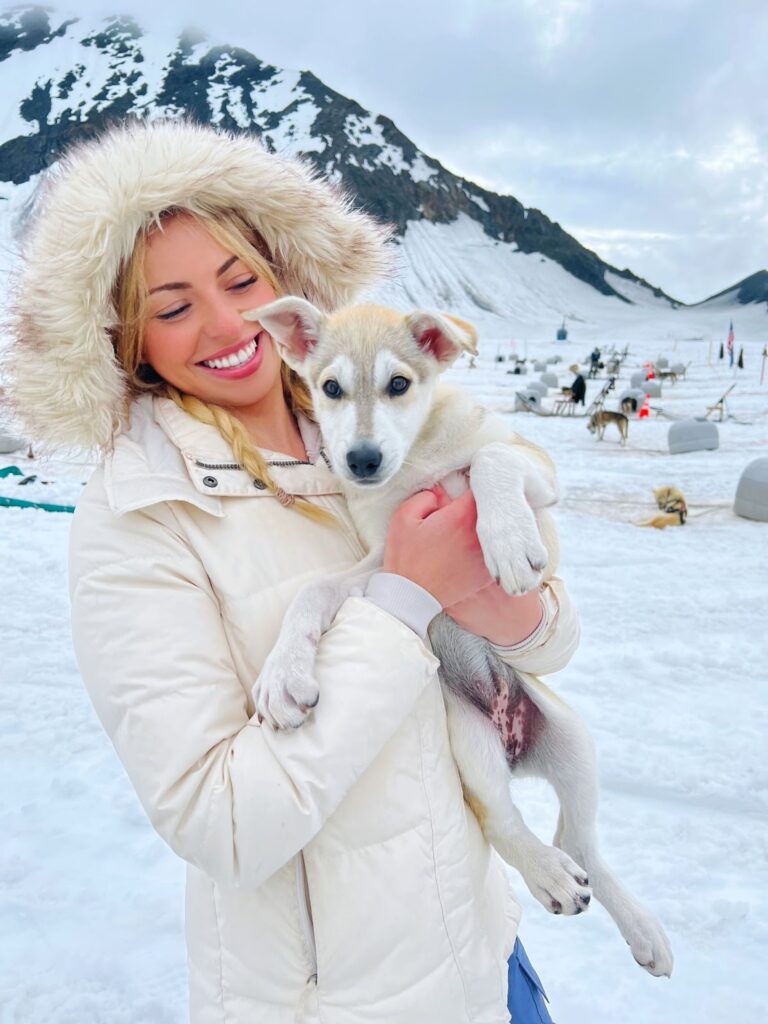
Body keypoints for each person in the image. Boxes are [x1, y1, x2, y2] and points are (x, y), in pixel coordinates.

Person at [5, 120, 579, 1023]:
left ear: (284, 290)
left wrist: (517, 616)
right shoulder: (141, 519)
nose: (229, 324)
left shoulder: (372, 433)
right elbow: (220, 823)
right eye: (173, 305)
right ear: (126, 340)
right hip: (338, 1001)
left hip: (483, 953)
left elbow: (547, 642)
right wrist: (402, 601)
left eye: (241, 281)